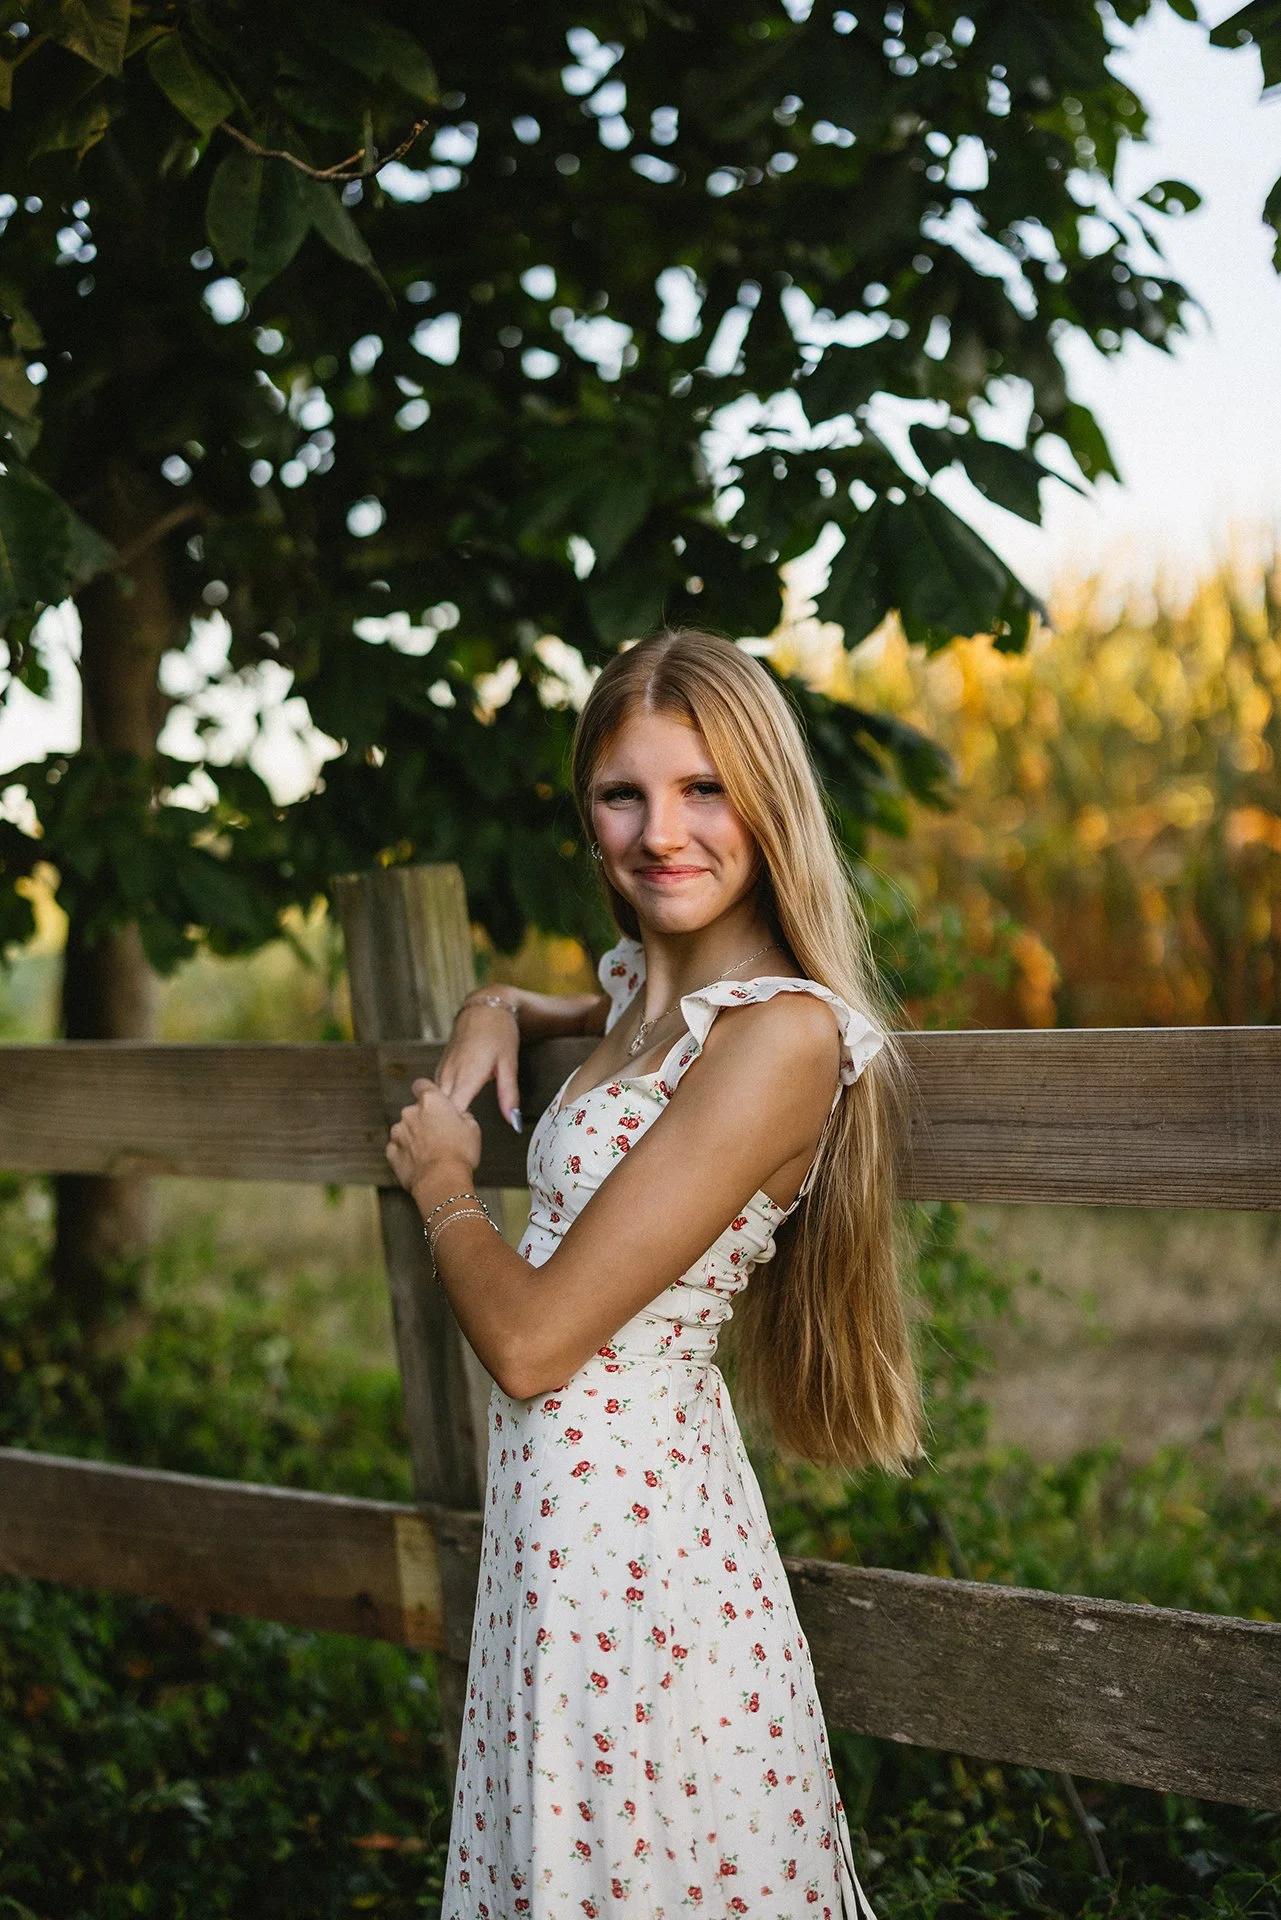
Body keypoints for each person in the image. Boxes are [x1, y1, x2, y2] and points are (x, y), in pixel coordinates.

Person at [386, 628, 921, 1920]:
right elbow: (579, 1007)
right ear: (588, 817)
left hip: (649, 1574)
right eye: (625, 794)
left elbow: (531, 1344)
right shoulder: (646, 995)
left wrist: (446, 1182)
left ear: (766, 804)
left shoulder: (781, 1038)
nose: (661, 832)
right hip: (557, 1557)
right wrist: (496, 1006)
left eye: (703, 790)